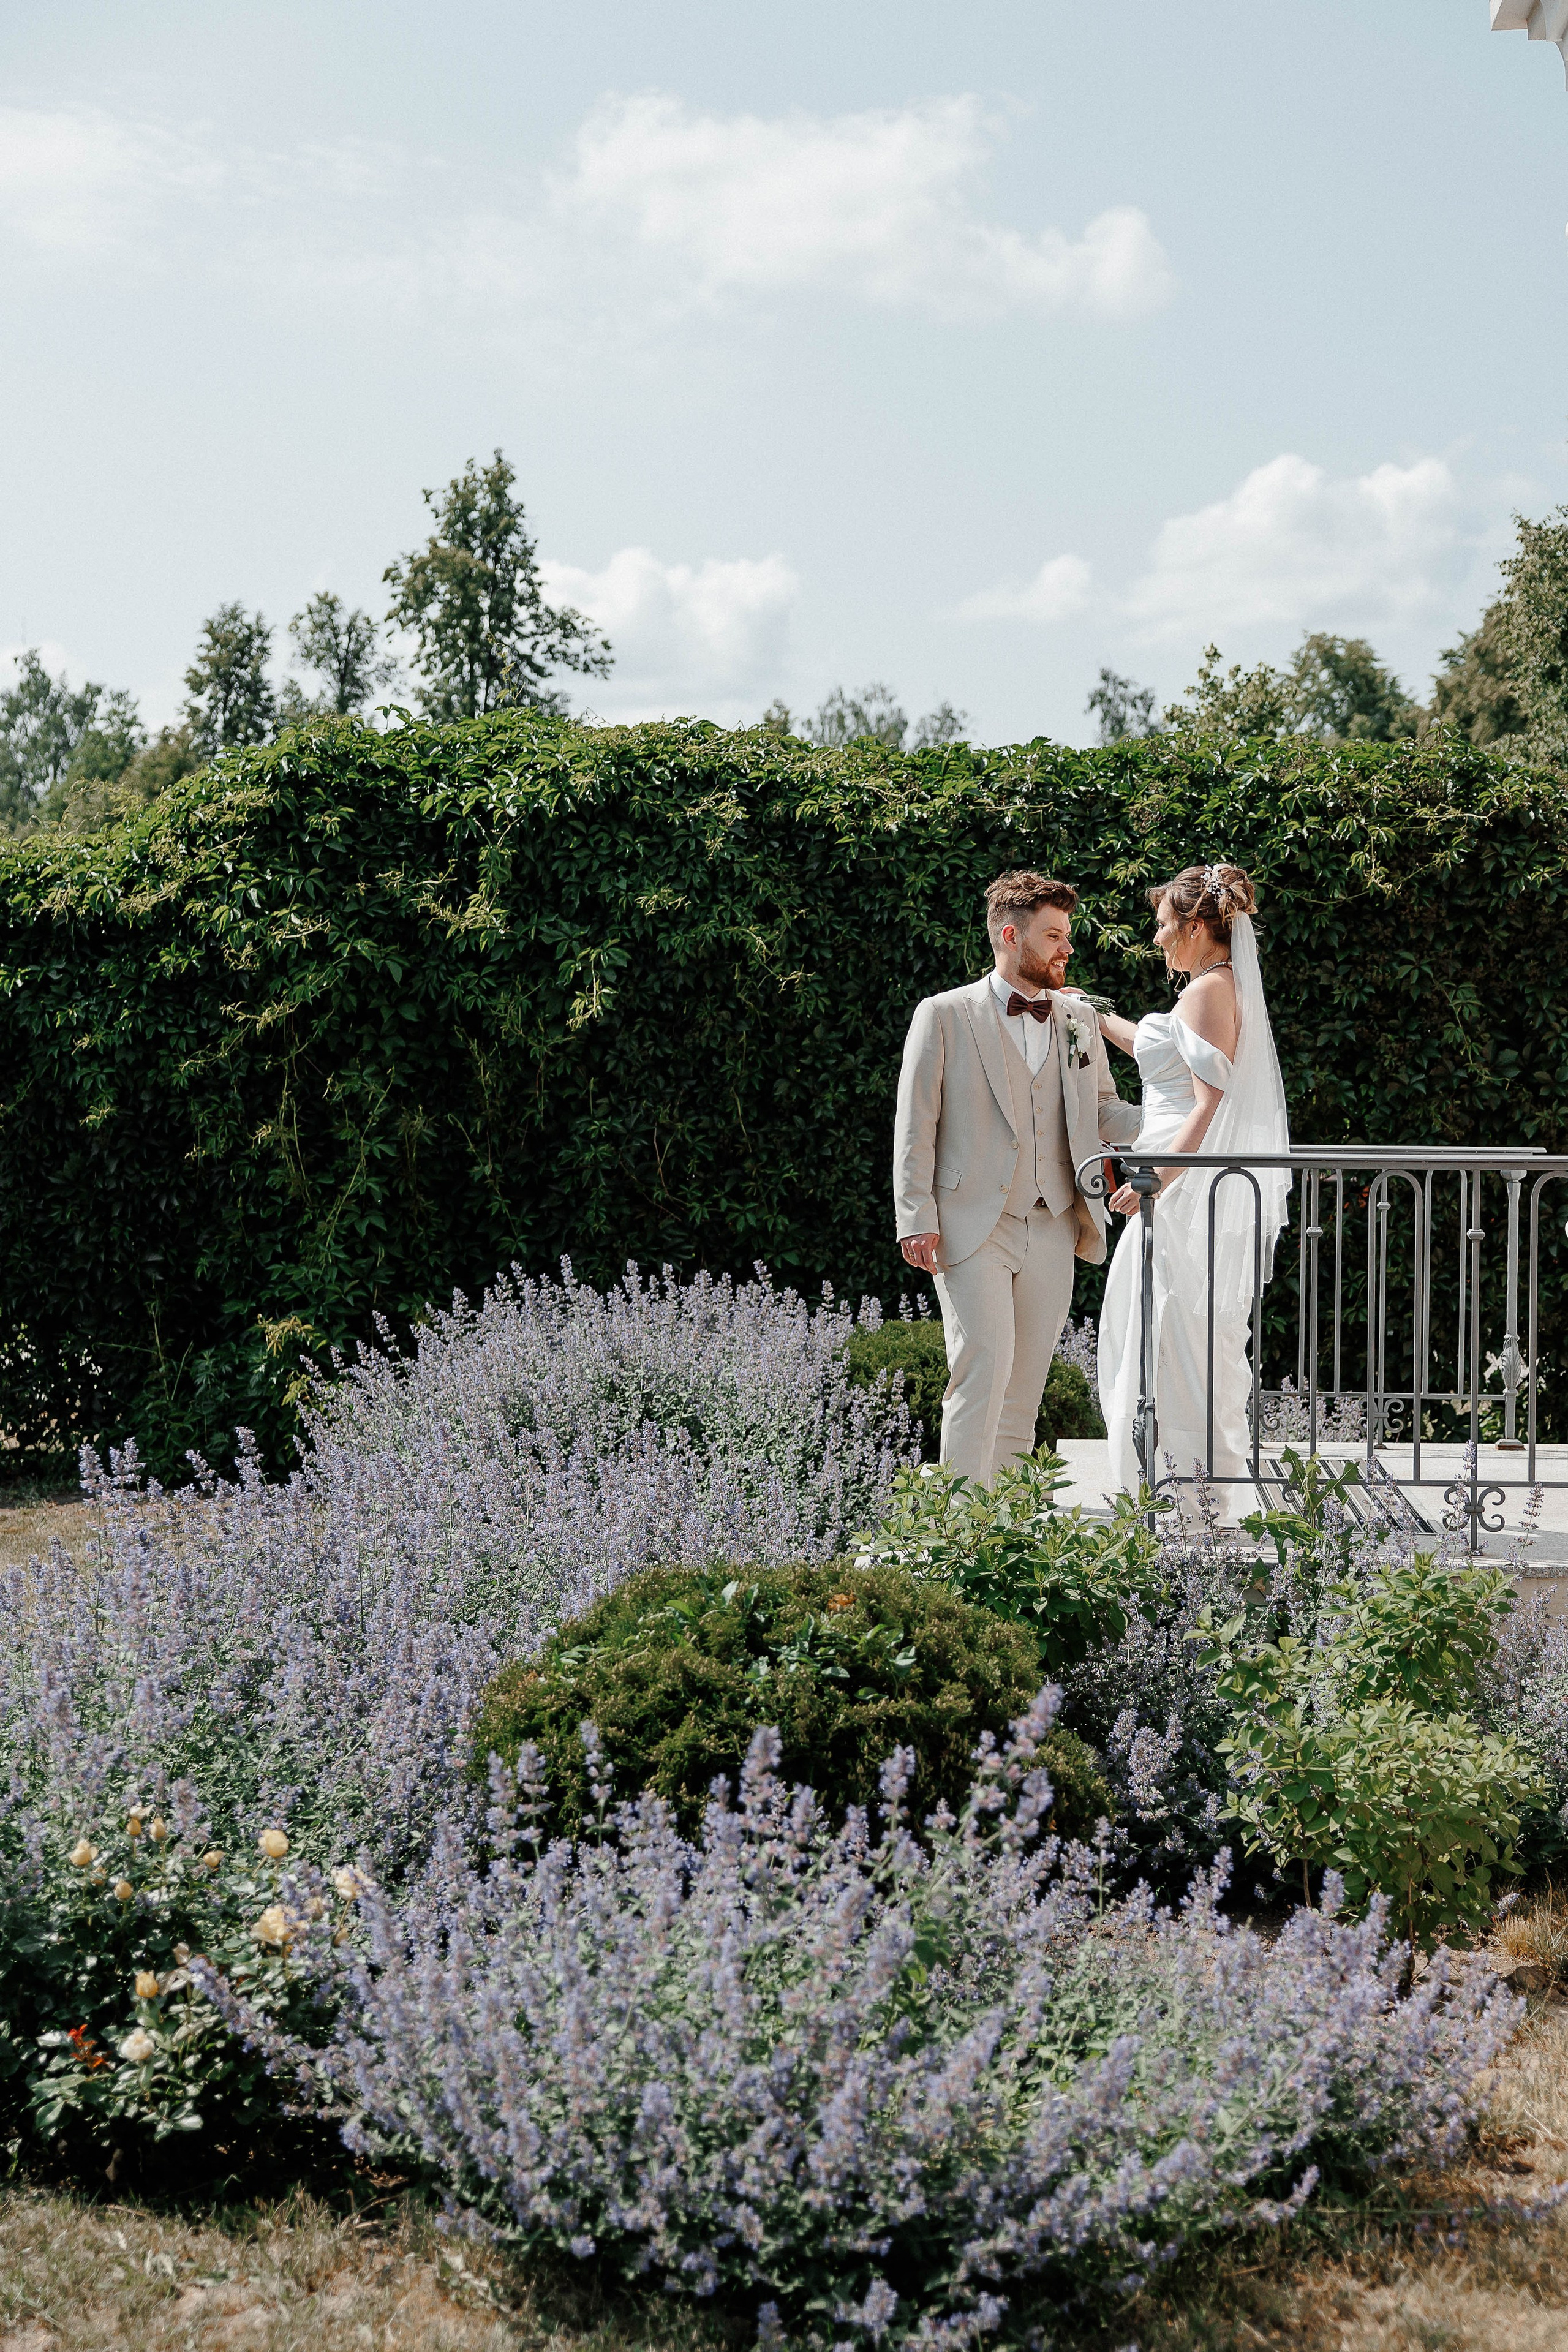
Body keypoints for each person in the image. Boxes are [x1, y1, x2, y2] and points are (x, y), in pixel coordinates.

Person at [892, 870, 1142, 1485]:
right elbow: (915, 1123)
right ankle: (953, 1530)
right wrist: (914, 1217)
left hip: (1056, 1220)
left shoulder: (1077, 1017)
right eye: (1054, 936)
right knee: (982, 1368)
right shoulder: (944, 1015)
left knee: (1025, 1384)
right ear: (1010, 935)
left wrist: (1182, 1112)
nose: (1067, 948)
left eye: (1067, 934)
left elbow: (1104, 1109)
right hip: (970, 1222)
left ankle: (1002, 1528)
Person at [1096, 862, 1291, 1520]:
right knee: (1166, 1333)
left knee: (1174, 1337)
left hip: (1181, 1191)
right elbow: (1164, 1058)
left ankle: (1190, 1497)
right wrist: (1095, 1017)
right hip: (1177, 1184)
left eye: (1161, 926)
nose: (1155, 940)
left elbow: (1206, 1106)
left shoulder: (1209, 991)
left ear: (1197, 925)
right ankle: (1180, 1491)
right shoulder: (1209, 988)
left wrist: (1154, 1183)